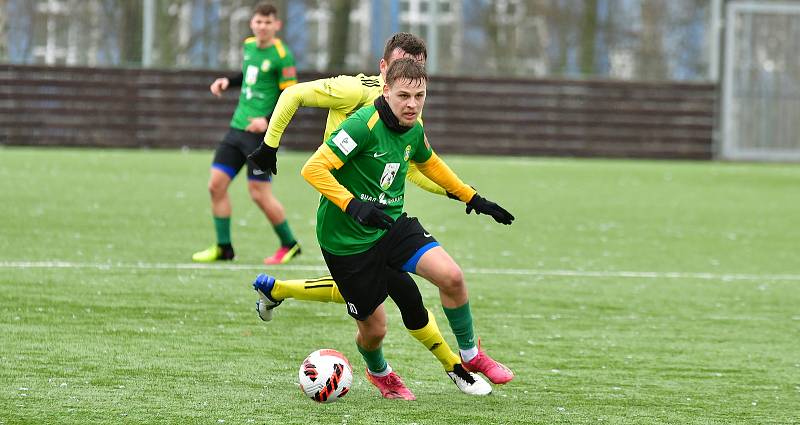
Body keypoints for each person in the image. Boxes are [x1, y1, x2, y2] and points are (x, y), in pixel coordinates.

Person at [249, 33, 513, 389]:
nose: (412, 104)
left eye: (419, 96)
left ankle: (468, 358)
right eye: (404, 95)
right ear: (384, 88)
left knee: (451, 277)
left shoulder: (413, 126)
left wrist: (471, 197)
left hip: (389, 224)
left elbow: (428, 163)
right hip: (346, 238)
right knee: (375, 331)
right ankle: (379, 372)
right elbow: (313, 168)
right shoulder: (361, 123)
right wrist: (353, 205)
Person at [191, 3, 301, 265]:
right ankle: (224, 248)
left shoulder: (282, 54)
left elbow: (291, 95)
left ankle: (290, 244)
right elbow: (248, 74)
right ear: (252, 23)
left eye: (267, 22)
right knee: (215, 185)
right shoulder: (249, 46)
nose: (262, 26)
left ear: (277, 25)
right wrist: (227, 82)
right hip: (237, 128)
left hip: (259, 136)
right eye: (258, 22)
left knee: (259, 194)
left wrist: (266, 120)